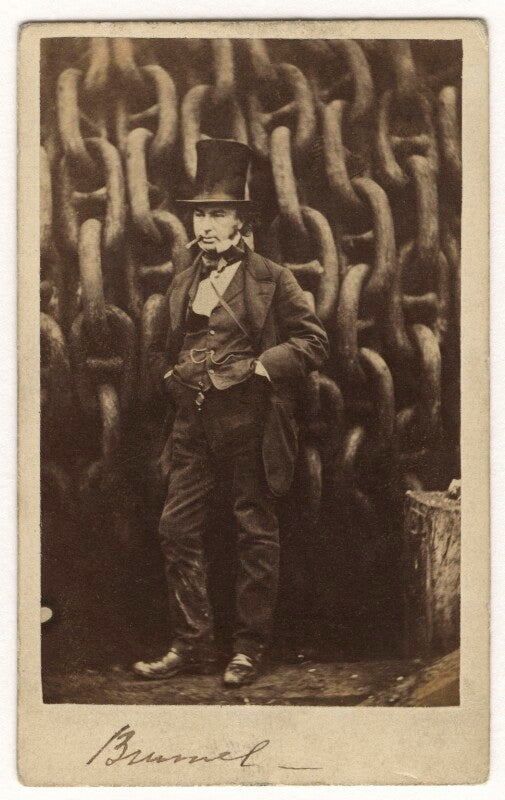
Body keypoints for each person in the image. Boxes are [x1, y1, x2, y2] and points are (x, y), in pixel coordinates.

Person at [133, 138, 329, 687]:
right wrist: (171, 379)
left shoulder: (273, 278)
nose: (207, 226)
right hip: (192, 424)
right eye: (200, 215)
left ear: (241, 221)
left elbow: (313, 342)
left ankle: (247, 650)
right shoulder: (182, 284)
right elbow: (162, 350)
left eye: (218, 214)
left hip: (251, 423)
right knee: (176, 529)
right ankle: (192, 645)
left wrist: (264, 367)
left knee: (254, 532)